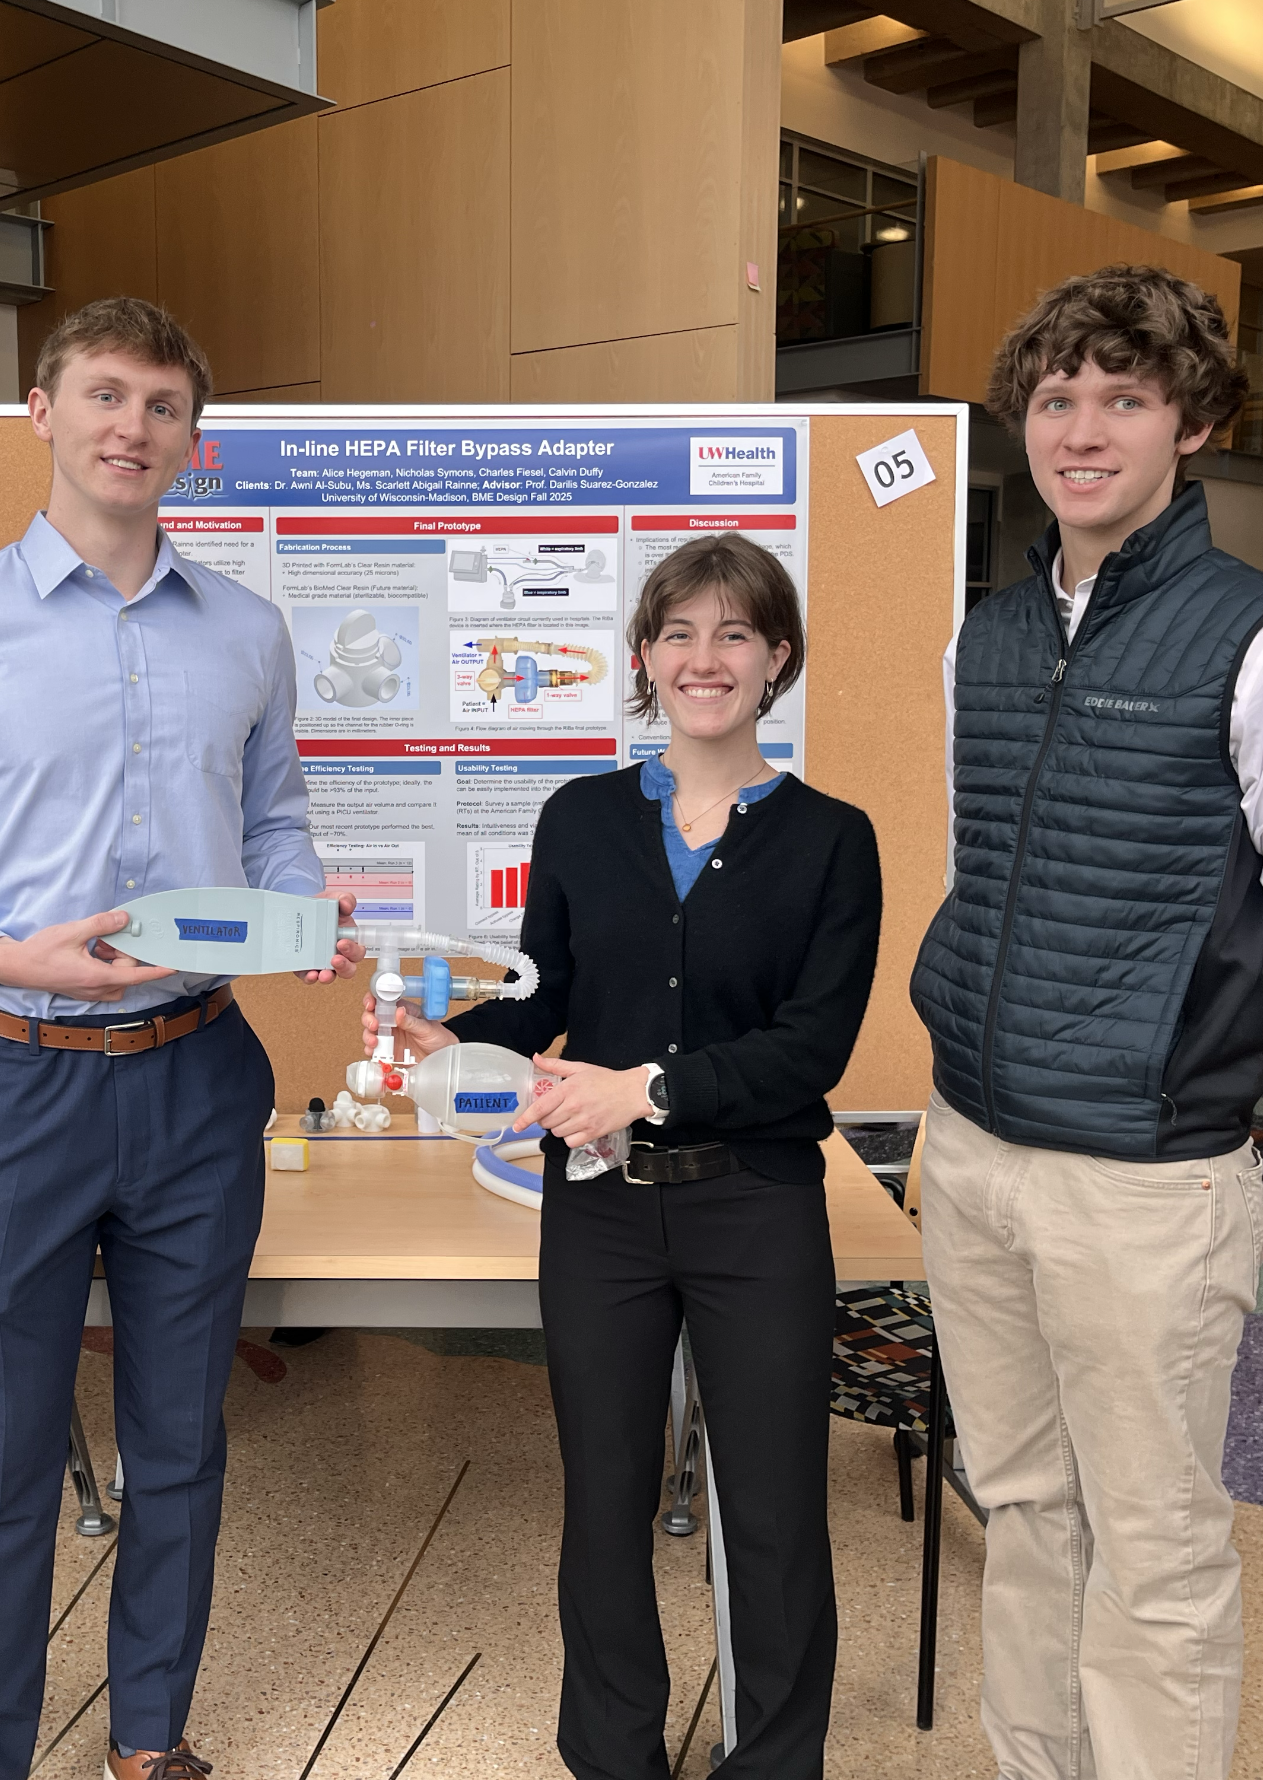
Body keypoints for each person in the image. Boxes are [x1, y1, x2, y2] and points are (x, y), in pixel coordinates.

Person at [0, 298, 360, 1780]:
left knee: (177, 1441)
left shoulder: (245, 628)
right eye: (103, 395)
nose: (132, 427)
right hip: (12, 1080)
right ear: (39, 413)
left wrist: (308, 915)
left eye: (162, 406)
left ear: (195, 439)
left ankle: (146, 1738)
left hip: (195, 1075)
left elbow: (273, 822)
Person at [908, 265, 1263, 1780]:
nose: (1081, 427)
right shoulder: (981, 635)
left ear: (1190, 424)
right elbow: (977, 860)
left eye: (1122, 396)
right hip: (973, 1149)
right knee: (1022, 1509)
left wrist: (1163, 1030)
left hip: (1145, 1180)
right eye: (1056, 397)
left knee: (1158, 1547)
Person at [370, 533, 882, 1779]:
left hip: (754, 1208)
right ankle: (613, 1755)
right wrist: (451, 1029)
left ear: (777, 659)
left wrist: (645, 1088)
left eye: (736, 635)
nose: (706, 659)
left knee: (770, 1510)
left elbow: (806, 1052)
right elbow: (544, 997)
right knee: (602, 1498)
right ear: (647, 657)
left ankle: (772, 1759)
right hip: (597, 1216)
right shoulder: (583, 816)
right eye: (680, 634)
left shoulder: (831, 838)